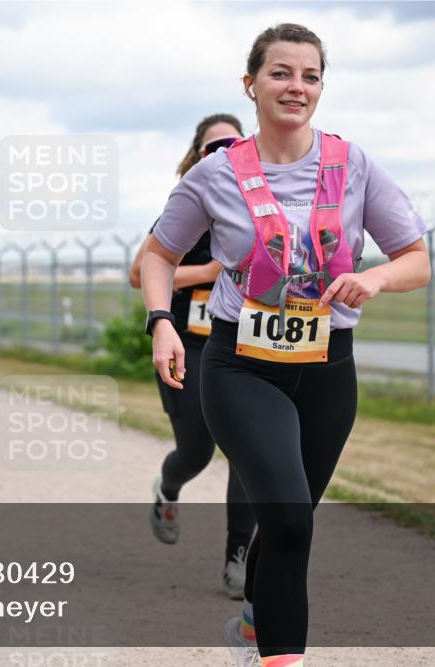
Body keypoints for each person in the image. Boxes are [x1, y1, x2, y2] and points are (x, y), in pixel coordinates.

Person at [141, 23, 430, 667]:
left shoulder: (352, 164)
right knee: (291, 519)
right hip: (242, 366)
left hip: (328, 368)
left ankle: (252, 622)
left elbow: (416, 259)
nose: (295, 86)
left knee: (289, 523)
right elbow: (157, 255)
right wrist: (162, 321)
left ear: (321, 88)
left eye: (310, 75)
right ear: (251, 85)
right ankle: (275, 655)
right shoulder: (213, 177)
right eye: (280, 73)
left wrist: (374, 277)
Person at [130, 113, 256, 600]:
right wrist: (204, 271)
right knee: (198, 450)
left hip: (241, 343)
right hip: (186, 341)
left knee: (245, 452)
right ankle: (169, 484)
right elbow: (140, 274)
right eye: (213, 146)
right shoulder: (185, 206)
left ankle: (237, 557)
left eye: (234, 142)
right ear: (197, 156)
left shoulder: (256, 207)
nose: (223, 151)